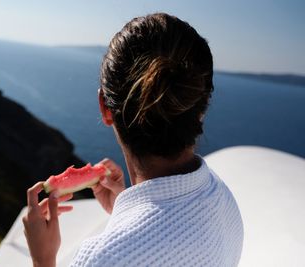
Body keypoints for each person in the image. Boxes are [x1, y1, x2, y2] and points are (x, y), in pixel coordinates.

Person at [23, 13, 243, 267]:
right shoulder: (224, 200)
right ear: (201, 108)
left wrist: (43, 258)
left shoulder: (102, 258)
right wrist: (123, 209)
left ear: (105, 107)